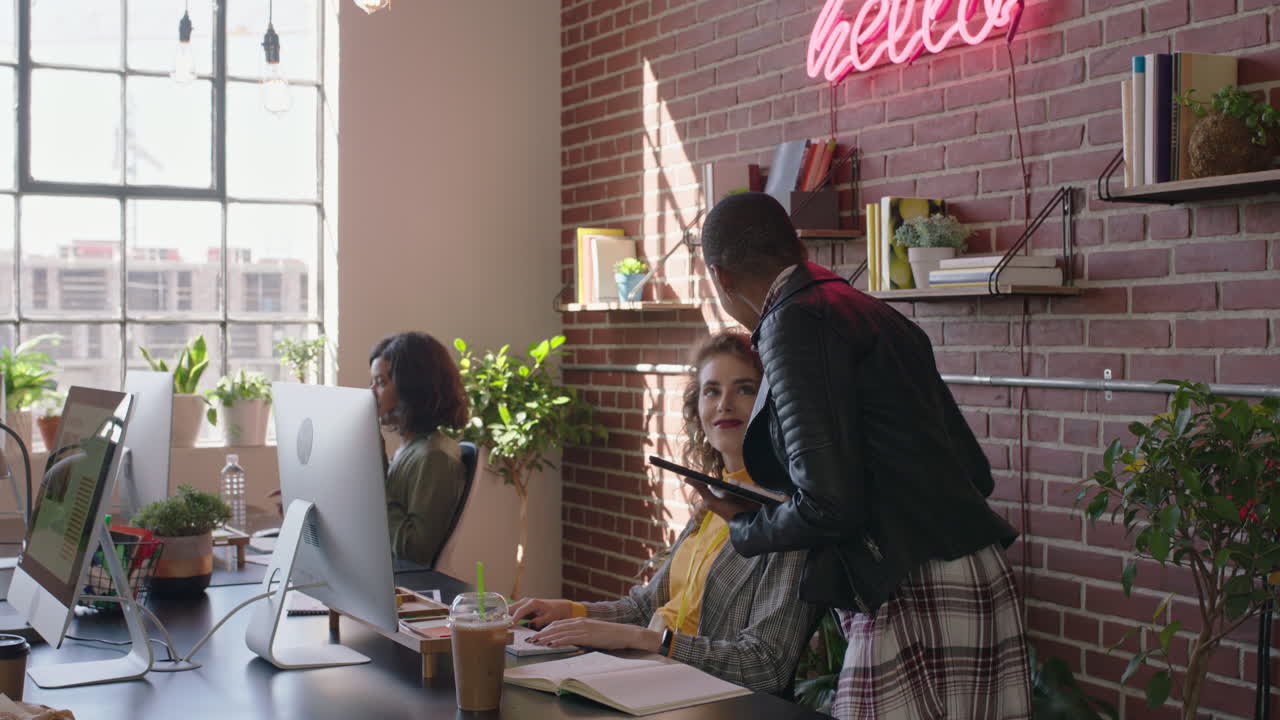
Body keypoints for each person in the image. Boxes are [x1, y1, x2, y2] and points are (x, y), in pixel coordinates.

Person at [691, 192, 1030, 719]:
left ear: (720, 276)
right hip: (974, 571)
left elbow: (832, 504)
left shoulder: (790, 322)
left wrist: (747, 527)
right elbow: (974, 472)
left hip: (910, 587)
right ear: (797, 246)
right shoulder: (874, 312)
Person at [510, 332, 820, 695]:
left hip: (706, 700)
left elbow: (766, 665)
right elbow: (646, 607)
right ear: (697, 409)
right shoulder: (712, 501)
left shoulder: (788, 518)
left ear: (772, 404)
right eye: (712, 390)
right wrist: (569, 610)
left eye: (745, 389)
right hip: (653, 681)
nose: (725, 404)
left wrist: (654, 641)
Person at [368, 331, 469, 568]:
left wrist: (376, 480)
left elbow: (413, 552)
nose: (371, 392)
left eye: (381, 382)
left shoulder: (434, 457)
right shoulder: (410, 449)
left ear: (411, 388)